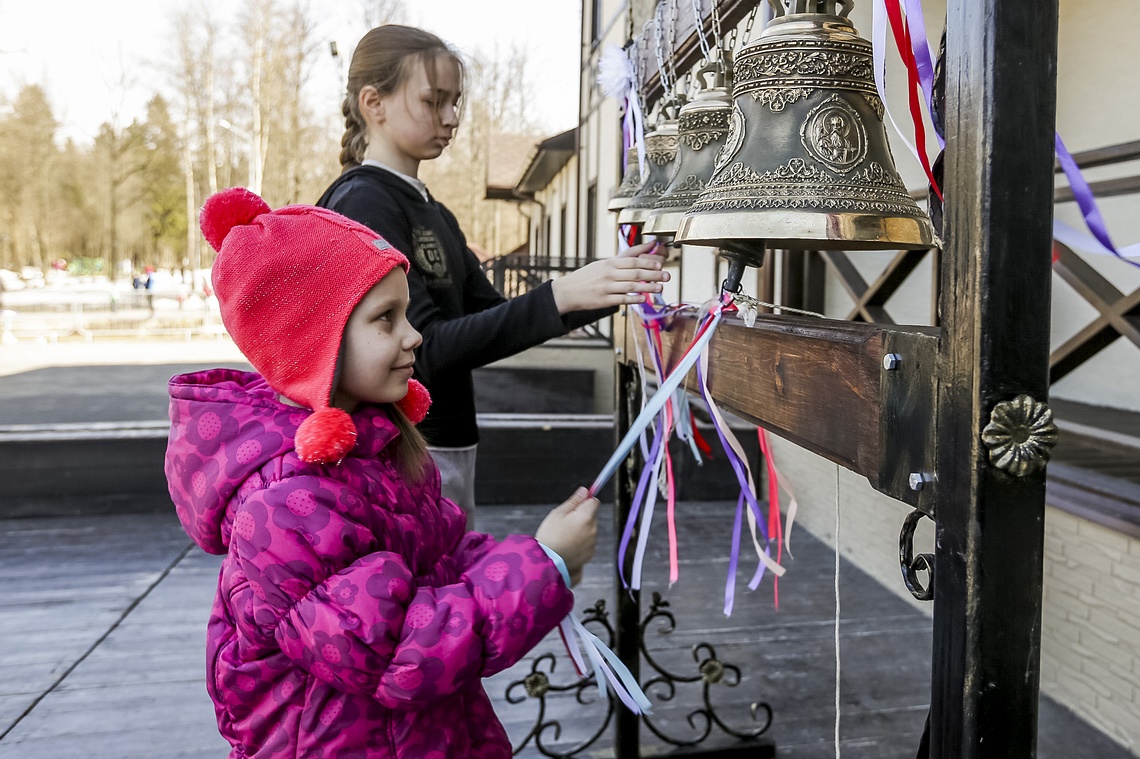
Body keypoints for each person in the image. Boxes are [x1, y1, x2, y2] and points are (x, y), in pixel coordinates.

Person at [166, 187, 601, 758]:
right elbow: (398, 650)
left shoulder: (374, 450)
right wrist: (542, 569)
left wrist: (534, 551)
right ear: (311, 341)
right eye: (385, 318)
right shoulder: (287, 505)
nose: (413, 334)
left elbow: (441, 557)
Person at [316, 25, 668, 528]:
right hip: (399, 451)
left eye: (455, 102)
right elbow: (425, 350)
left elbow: (491, 320)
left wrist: (606, 285)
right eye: (434, 100)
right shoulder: (364, 203)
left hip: (448, 443)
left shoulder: (429, 208)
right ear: (375, 103)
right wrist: (563, 294)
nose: (452, 118)